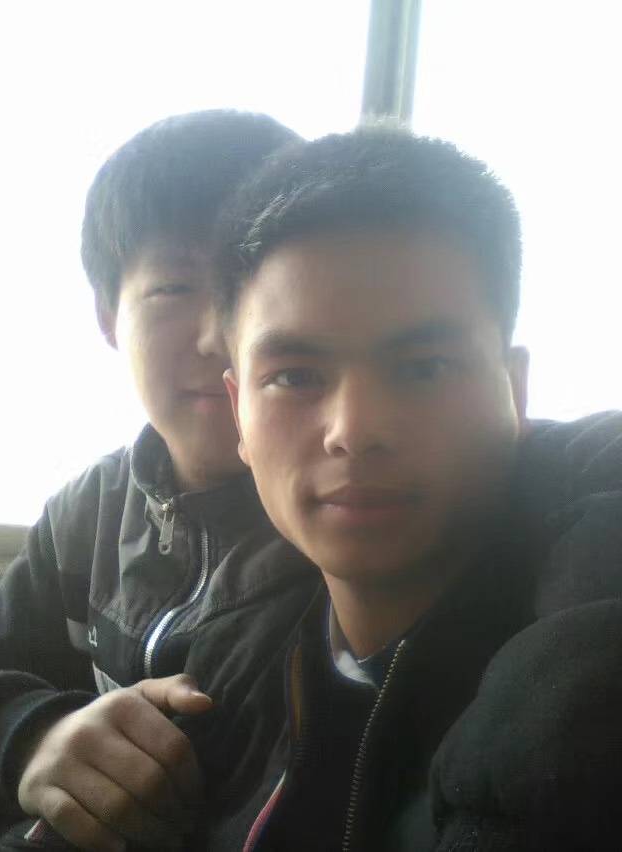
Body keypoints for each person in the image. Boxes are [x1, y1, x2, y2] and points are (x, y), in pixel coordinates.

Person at [170, 127, 622, 851]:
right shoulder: (228, 656)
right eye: (295, 376)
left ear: (515, 391)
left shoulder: (581, 602)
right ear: (238, 417)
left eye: (424, 367)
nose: (354, 430)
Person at [0, 110, 320, 852]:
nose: (219, 336)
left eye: (249, 284)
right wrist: (30, 732)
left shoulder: (345, 528)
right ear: (109, 316)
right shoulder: (91, 514)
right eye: (172, 288)